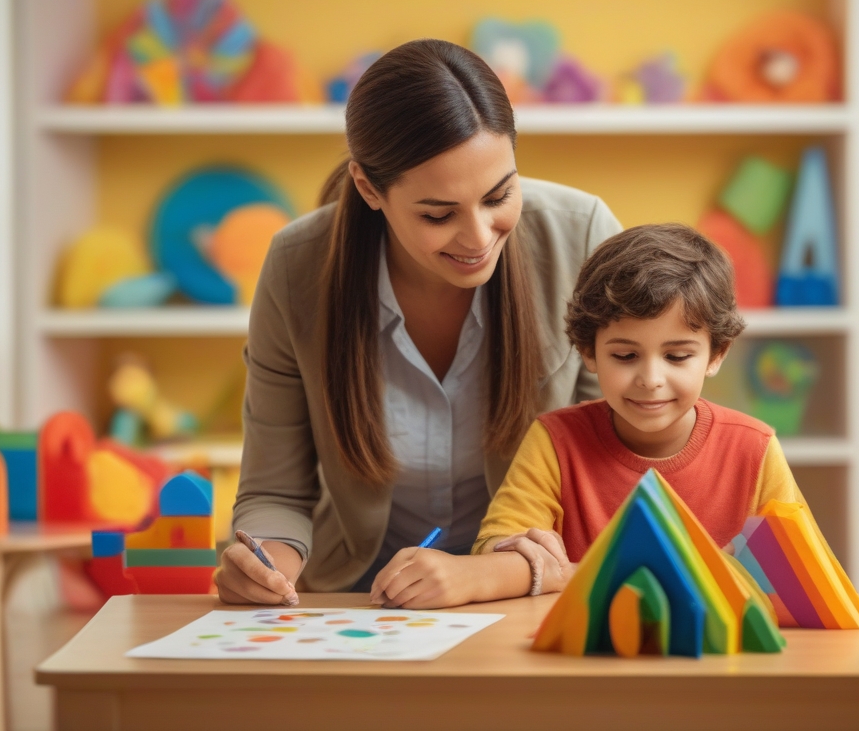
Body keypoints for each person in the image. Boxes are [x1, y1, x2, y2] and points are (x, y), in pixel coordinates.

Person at [214, 39, 622, 604]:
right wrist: (263, 566)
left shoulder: (583, 237)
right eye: (438, 214)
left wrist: (490, 575)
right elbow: (276, 492)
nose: (479, 238)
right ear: (368, 188)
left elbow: (620, 473)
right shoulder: (295, 266)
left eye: (499, 195)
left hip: (536, 591)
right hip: (361, 596)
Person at [370, 224, 820, 608]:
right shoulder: (555, 440)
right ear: (588, 352)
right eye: (625, 355)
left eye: (678, 356)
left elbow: (799, 578)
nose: (650, 379)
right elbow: (500, 550)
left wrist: (564, 572)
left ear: (716, 354)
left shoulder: (753, 447)